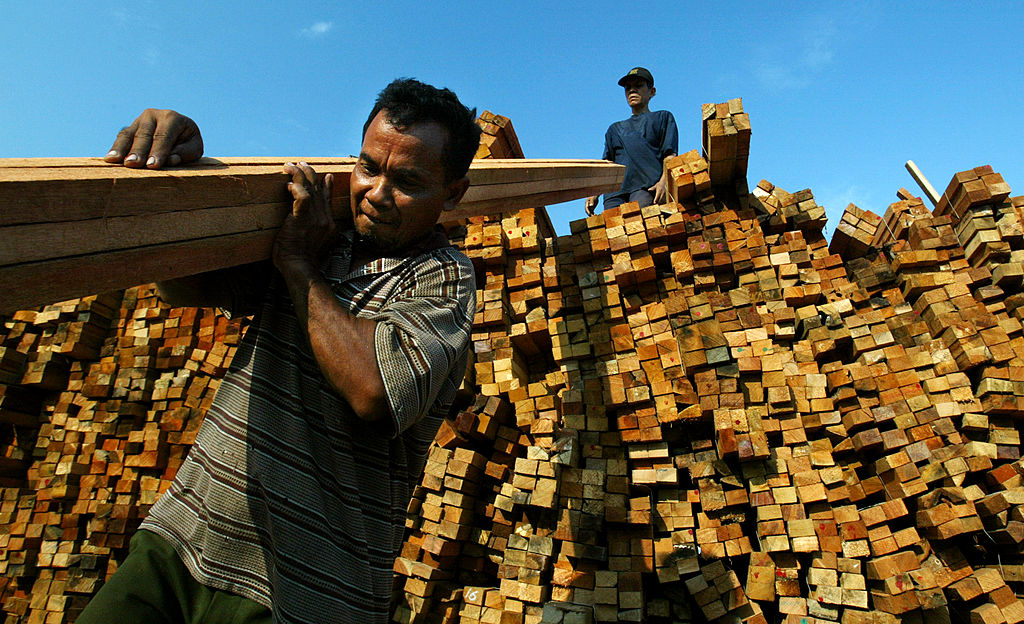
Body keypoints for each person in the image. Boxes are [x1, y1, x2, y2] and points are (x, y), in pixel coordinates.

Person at [78, 78, 480, 624]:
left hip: (303, 591)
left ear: (453, 193)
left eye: (407, 181)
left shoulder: (442, 276)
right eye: (368, 167)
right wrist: (180, 175)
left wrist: (298, 268)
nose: (377, 194)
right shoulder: (316, 232)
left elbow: (376, 392)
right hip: (182, 540)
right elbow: (181, 288)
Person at [585, 66, 678, 216]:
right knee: (614, 233)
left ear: (652, 92)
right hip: (614, 194)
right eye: (628, 88)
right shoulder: (614, 129)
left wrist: (664, 182)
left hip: (646, 188)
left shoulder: (662, 118)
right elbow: (607, 163)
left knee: (639, 227)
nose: (631, 90)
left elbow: (670, 156)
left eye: (638, 86)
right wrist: (595, 192)